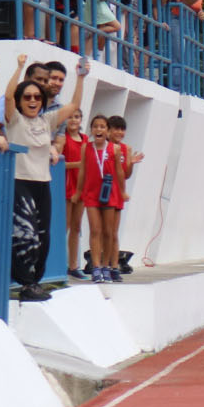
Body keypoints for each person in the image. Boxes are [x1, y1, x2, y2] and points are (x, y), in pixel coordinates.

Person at [3, 53, 87, 301]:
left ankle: (35, 282)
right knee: (24, 234)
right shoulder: (15, 120)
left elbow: (73, 107)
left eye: (37, 97)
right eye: (27, 97)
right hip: (20, 181)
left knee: (43, 235)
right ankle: (25, 283)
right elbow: (8, 96)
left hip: (43, 183)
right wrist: (18, 68)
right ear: (20, 101)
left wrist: (81, 77)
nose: (32, 100)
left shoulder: (47, 120)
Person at [78, 113, 126, 283]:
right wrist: (78, 191)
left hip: (109, 194)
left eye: (102, 127)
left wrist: (122, 191)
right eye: (95, 126)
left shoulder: (114, 149)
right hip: (91, 194)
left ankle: (106, 266)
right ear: (91, 130)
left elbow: (120, 172)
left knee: (108, 232)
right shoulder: (86, 148)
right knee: (95, 230)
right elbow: (82, 170)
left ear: (107, 131)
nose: (99, 129)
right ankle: (96, 267)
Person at [104, 114, 144, 281]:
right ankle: (103, 265)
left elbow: (126, 174)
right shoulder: (103, 147)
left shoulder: (125, 149)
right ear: (108, 130)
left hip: (117, 191)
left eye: (122, 129)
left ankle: (114, 266)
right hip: (103, 190)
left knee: (113, 232)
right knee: (101, 231)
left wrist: (131, 162)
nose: (119, 132)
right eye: (116, 129)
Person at [55, 106, 87, 280]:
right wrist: (77, 164)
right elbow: (59, 162)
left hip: (81, 187)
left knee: (76, 227)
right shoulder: (63, 139)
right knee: (64, 226)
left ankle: (73, 265)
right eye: (71, 117)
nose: (74, 120)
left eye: (77, 117)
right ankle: (59, 263)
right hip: (67, 186)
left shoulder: (85, 139)